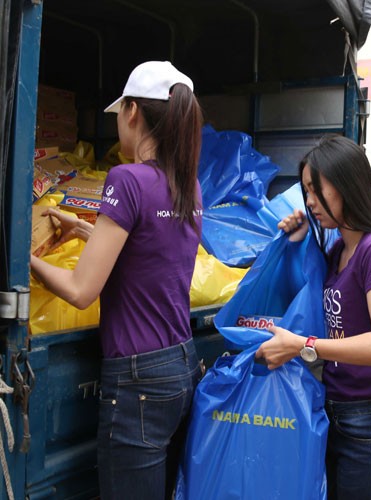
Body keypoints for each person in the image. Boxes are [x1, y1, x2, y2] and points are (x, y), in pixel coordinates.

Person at [30, 61, 204, 499]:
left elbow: (79, 290)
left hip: (137, 381)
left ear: (131, 112)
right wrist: (85, 229)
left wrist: (20, 259)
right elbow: (149, 249)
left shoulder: (126, 179)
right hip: (179, 365)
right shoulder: (187, 185)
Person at [256, 135, 371, 499]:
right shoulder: (341, 246)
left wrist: (304, 345)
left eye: (315, 189)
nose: (309, 201)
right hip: (343, 412)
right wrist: (298, 239)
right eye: (306, 191)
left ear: (346, 184)